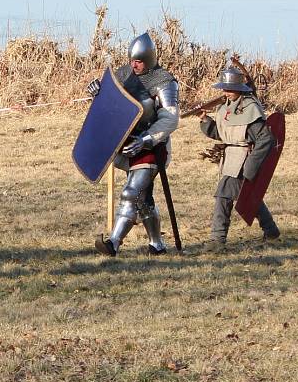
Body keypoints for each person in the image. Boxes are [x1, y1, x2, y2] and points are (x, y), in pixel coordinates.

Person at [91, 32, 181, 256]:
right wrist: (98, 93)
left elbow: (170, 119)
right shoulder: (123, 75)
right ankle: (157, 245)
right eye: (132, 59)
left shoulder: (164, 82)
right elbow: (112, 105)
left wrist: (145, 139)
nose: (134, 64)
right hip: (126, 144)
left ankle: (113, 243)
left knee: (131, 193)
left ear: (149, 59)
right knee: (143, 198)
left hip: (151, 147)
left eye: (139, 61)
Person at [198, 66, 280, 248]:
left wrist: (251, 166)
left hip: (244, 159)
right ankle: (271, 230)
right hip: (230, 159)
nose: (225, 92)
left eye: (229, 88)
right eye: (224, 88)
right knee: (247, 196)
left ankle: (217, 239)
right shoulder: (226, 107)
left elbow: (266, 139)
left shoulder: (250, 107)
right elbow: (223, 134)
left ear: (239, 88)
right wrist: (205, 121)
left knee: (224, 195)